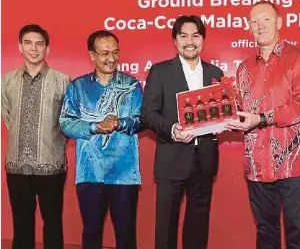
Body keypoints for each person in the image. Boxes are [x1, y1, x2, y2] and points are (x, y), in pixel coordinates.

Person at [228, 1, 300, 249]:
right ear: (249, 27)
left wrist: (262, 118)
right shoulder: (244, 68)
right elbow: (241, 111)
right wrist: (224, 116)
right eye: (254, 21)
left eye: (266, 19)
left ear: (279, 22)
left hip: (294, 166)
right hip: (257, 165)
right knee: (265, 234)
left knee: (298, 233)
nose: (260, 26)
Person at [141, 15, 224, 249]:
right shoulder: (160, 72)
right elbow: (148, 113)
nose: (190, 41)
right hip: (171, 159)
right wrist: (172, 129)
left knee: (198, 226)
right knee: (166, 226)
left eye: (196, 35)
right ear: (175, 41)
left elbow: (221, 114)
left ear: (203, 40)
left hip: (205, 161)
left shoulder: (215, 74)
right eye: (184, 36)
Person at [59, 30, 143, 249]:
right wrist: (95, 126)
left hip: (124, 174)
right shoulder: (77, 86)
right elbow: (66, 123)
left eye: (115, 52)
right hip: (90, 173)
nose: (111, 58)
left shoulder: (132, 85)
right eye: (105, 53)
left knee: (126, 237)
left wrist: (120, 123)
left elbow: (142, 120)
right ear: (92, 55)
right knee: (91, 235)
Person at [1, 24, 69, 249]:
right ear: (20, 47)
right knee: (21, 225)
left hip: (51, 166)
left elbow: (67, 122)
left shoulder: (62, 81)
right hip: (17, 166)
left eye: (39, 44)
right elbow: (8, 118)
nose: (34, 48)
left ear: (47, 49)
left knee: (52, 223)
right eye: (28, 43)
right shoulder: (7, 81)